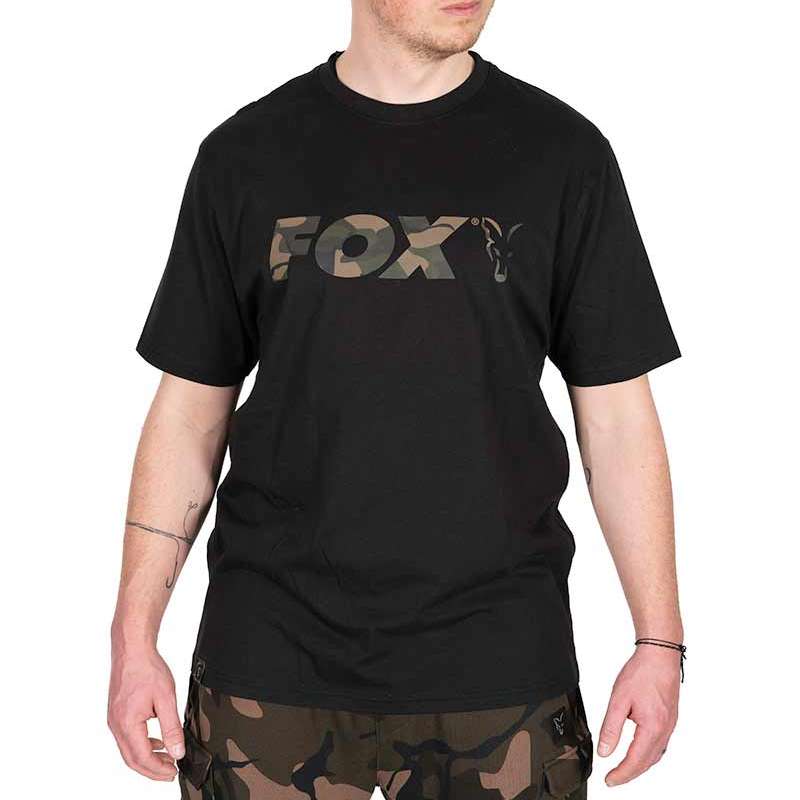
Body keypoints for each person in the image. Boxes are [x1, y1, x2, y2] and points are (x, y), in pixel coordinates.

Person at [108, 2, 684, 797]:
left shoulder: (563, 155)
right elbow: (188, 414)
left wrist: (660, 641)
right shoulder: (246, 155)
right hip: (271, 663)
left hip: (498, 663)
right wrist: (133, 637)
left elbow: (617, 418)